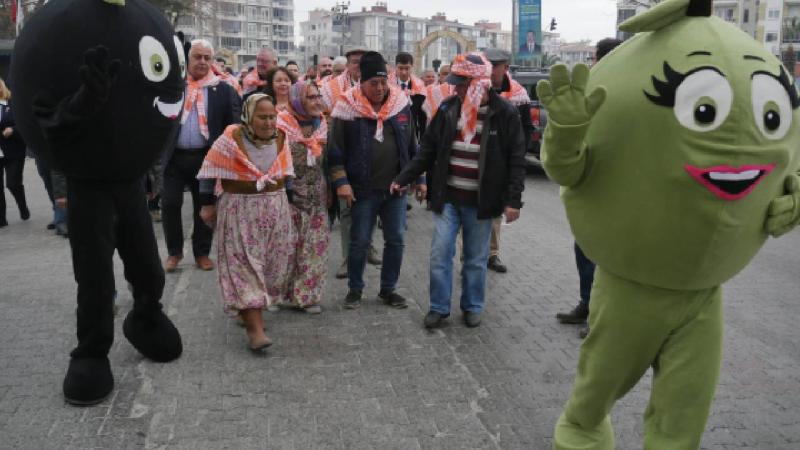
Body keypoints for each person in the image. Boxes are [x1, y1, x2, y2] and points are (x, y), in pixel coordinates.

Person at [391, 52, 526, 329]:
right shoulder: (448, 108)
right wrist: (405, 177)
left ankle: (472, 306)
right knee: (440, 253)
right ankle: (439, 308)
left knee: (475, 259)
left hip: (481, 202)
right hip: (448, 197)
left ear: (479, 83)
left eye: (462, 83)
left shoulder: (505, 113)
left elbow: (516, 160)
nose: (456, 88)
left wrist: (514, 201)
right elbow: (427, 150)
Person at [197, 94, 295, 350]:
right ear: (248, 116)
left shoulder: (282, 137)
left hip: (275, 208)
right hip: (239, 209)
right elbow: (210, 170)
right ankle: (255, 330)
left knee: (275, 265)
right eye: (262, 117)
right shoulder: (231, 138)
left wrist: (291, 201)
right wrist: (207, 204)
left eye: (272, 116)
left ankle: (252, 310)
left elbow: (287, 170)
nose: (269, 122)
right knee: (243, 266)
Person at [327, 51, 423, 310]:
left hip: (396, 188)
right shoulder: (347, 107)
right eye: (373, 83)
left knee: (396, 240)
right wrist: (341, 183)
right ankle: (355, 289)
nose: (380, 88)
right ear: (362, 82)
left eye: (383, 82)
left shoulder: (401, 105)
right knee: (359, 241)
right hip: (361, 190)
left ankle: (388, 290)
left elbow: (413, 146)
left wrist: (419, 178)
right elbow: (334, 151)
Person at [555, 37, 622, 339]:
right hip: (590, 186)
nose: (593, 63)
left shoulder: (621, 91)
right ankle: (587, 304)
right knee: (584, 248)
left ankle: (603, 319)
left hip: (615, 190)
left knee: (607, 258)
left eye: (595, 57)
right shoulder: (591, 90)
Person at [161, 39, 241, 273]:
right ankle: (174, 252)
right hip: (175, 158)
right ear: (187, 59)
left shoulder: (223, 89)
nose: (203, 62)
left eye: (207, 57)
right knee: (170, 204)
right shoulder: (174, 86)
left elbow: (234, 125)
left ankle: (202, 252)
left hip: (207, 159)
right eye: (198, 57)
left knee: (205, 206)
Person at [322, 49, 381, 278]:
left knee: (373, 204)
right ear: (347, 64)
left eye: (362, 62)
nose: (358, 66)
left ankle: (369, 247)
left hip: (372, 156)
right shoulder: (331, 87)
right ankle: (348, 258)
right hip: (344, 155)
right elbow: (323, 117)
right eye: (355, 62)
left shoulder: (379, 84)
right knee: (347, 210)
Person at [277, 80, 330, 313]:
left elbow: (331, 159)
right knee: (286, 247)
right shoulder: (280, 125)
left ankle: (307, 296)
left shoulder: (323, 125)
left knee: (314, 247)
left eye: (318, 96)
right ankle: (281, 293)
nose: (318, 101)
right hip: (288, 196)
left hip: (316, 195)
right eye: (311, 97)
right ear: (297, 100)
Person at [483, 48, 534, 274]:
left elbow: (526, 127)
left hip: (502, 161)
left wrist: (517, 154)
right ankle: (470, 253)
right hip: (478, 157)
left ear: (506, 68)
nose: (492, 71)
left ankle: (492, 254)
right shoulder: (476, 90)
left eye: (497, 66)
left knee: (494, 209)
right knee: (472, 207)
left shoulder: (518, 94)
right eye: (489, 66)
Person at [0, 78, 30, 227]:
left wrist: (13, 130)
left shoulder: (13, 102)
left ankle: (23, 207)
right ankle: (1, 219)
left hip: (14, 150)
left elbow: (25, 123)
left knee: (13, 183)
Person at [390, 52, 427, 140]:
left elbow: (422, 117)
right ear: (395, 67)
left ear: (412, 67)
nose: (404, 72)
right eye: (400, 68)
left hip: (411, 132)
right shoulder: (387, 85)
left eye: (407, 68)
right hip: (391, 131)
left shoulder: (419, 87)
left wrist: (422, 140)